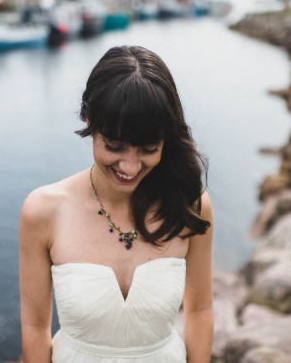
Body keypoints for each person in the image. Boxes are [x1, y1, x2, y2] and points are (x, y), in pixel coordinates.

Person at [19, 45, 214, 362]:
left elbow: (201, 310)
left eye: (149, 148)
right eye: (114, 146)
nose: (131, 167)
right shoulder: (43, 210)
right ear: (89, 119)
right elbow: (34, 325)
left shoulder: (190, 205)